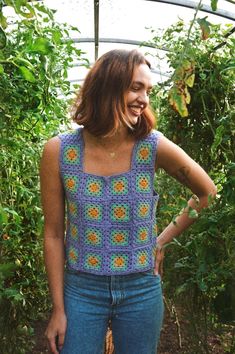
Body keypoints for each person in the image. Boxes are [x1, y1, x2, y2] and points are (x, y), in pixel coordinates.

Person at [40, 49, 217, 354]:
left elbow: (207, 193)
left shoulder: (152, 146)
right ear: (107, 86)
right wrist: (58, 308)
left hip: (141, 289)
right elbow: (54, 234)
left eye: (147, 90)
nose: (144, 99)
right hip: (81, 289)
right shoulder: (59, 151)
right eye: (135, 88)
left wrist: (161, 241)